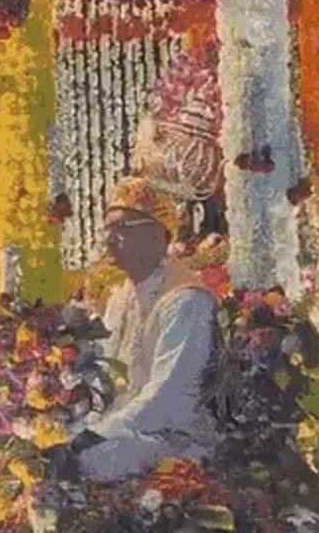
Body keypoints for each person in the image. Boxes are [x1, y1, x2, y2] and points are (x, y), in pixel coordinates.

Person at [74, 176, 218, 482]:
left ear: (158, 236)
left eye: (122, 229)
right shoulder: (120, 296)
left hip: (172, 437)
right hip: (118, 425)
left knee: (95, 460)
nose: (109, 240)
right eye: (106, 229)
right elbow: (105, 374)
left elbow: (169, 398)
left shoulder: (187, 299)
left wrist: (98, 433)